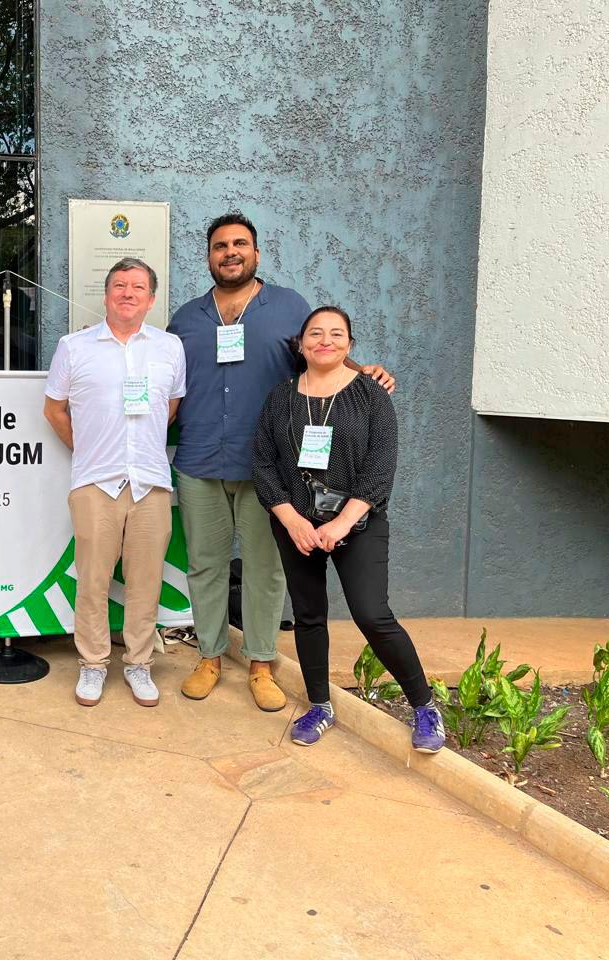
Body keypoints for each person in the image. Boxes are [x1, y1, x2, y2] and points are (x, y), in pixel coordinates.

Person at [168, 213, 394, 712]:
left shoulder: (289, 306)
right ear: (208, 257)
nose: (230, 252)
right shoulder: (185, 319)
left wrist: (365, 372)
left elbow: (323, 352)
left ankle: (260, 663)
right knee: (204, 566)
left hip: (268, 469)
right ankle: (209, 656)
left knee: (265, 570)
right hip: (200, 460)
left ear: (256, 253)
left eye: (239, 244)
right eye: (220, 246)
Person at [251, 306, 443, 751]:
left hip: (357, 524)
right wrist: (292, 519)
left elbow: (380, 469)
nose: (325, 341)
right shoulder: (280, 398)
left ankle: (424, 706)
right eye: (315, 334)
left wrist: (340, 523)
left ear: (350, 345)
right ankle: (320, 706)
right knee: (309, 616)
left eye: (336, 334)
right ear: (301, 345)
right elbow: (263, 464)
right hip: (296, 525)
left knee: (373, 614)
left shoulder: (372, 396)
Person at [44, 257, 186, 708]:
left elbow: (171, 407)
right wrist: (87, 449)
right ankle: (92, 664)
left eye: (138, 287)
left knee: (146, 582)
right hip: (95, 483)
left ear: (151, 299)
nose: (128, 293)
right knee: (93, 580)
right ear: (106, 296)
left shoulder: (170, 348)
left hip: (150, 482)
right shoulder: (74, 347)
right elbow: (54, 409)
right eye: (120, 285)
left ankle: (139, 663)